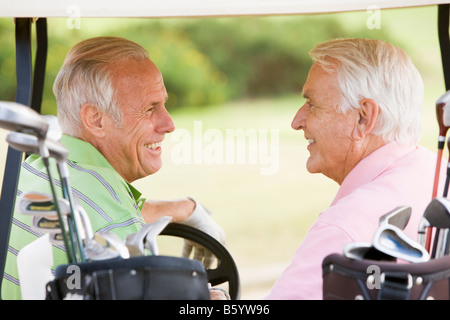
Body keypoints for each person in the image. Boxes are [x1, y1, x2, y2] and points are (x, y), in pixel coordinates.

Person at [2, 36, 226, 299]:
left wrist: (184, 209)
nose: (168, 123)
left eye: (163, 104)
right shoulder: (113, 220)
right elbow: (108, 222)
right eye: (150, 109)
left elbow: (92, 216)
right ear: (96, 119)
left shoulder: (37, 170)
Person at [266, 38, 446, 299]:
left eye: (312, 104)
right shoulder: (439, 174)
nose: (297, 121)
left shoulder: (343, 228)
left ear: (363, 117)